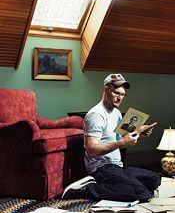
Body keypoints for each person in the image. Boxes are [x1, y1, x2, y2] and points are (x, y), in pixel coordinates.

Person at [62, 73, 161, 202]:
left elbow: (122, 137)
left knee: (155, 179)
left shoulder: (116, 112)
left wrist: (139, 132)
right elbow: (92, 150)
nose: (120, 98)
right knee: (142, 193)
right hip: (101, 168)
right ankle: (87, 189)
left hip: (117, 166)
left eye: (122, 95)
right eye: (116, 93)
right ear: (106, 89)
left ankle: (119, 187)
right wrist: (122, 143)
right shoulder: (96, 115)